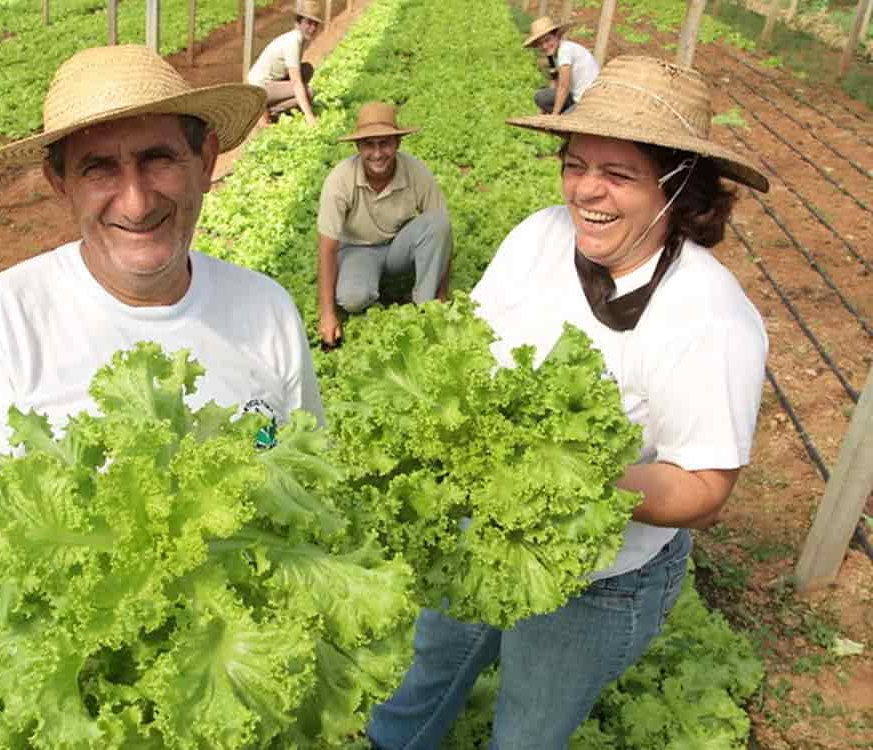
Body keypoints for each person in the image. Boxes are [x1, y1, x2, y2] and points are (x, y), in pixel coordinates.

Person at [366, 56, 770, 750]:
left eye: (618, 175)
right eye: (576, 163)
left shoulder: (708, 316)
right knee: (429, 667)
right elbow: (473, 343)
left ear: (678, 185)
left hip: (600, 581)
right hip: (480, 527)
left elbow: (703, 488)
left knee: (527, 728)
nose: (587, 190)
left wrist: (559, 477)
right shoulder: (538, 237)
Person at [0, 45, 324, 478]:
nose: (136, 205)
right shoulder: (2, 322)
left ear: (206, 162)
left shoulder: (269, 309)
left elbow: (303, 481)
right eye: (99, 169)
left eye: (158, 159)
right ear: (61, 185)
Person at [316, 102, 453, 347]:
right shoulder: (340, 179)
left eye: (385, 143)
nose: (377, 153)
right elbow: (327, 247)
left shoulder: (416, 171)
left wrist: (441, 295)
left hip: (399, 247)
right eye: (369, 144)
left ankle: (425, 305)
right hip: (358, 250)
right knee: (353, 298)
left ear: (397, 143)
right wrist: (327, 315)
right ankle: (372, 284)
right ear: (358, 147)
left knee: (439, 220)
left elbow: (441, 231)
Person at [247, 0, 324, 124]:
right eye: (309, 23)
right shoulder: (293, 41)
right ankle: (263, 110)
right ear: (298, 23)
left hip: (271, 82)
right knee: (308, 92)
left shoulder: (299, 39)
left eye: (315, 24)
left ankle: (272, 109)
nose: (312, 28)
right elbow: (296, 82)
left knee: (306, 69)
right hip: (259, 87)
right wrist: (309, 116)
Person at [524, 15, 599, 115]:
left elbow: (564, 86)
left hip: (590, 101)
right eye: (540, 44)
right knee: (540, 97)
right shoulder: (555, 54)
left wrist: (554, 116)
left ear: (557, 36)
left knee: (564, 121)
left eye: (547, 40)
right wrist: (542, 112)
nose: (544, 46)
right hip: (576, 96)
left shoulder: (565, 50)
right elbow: (555, 84)